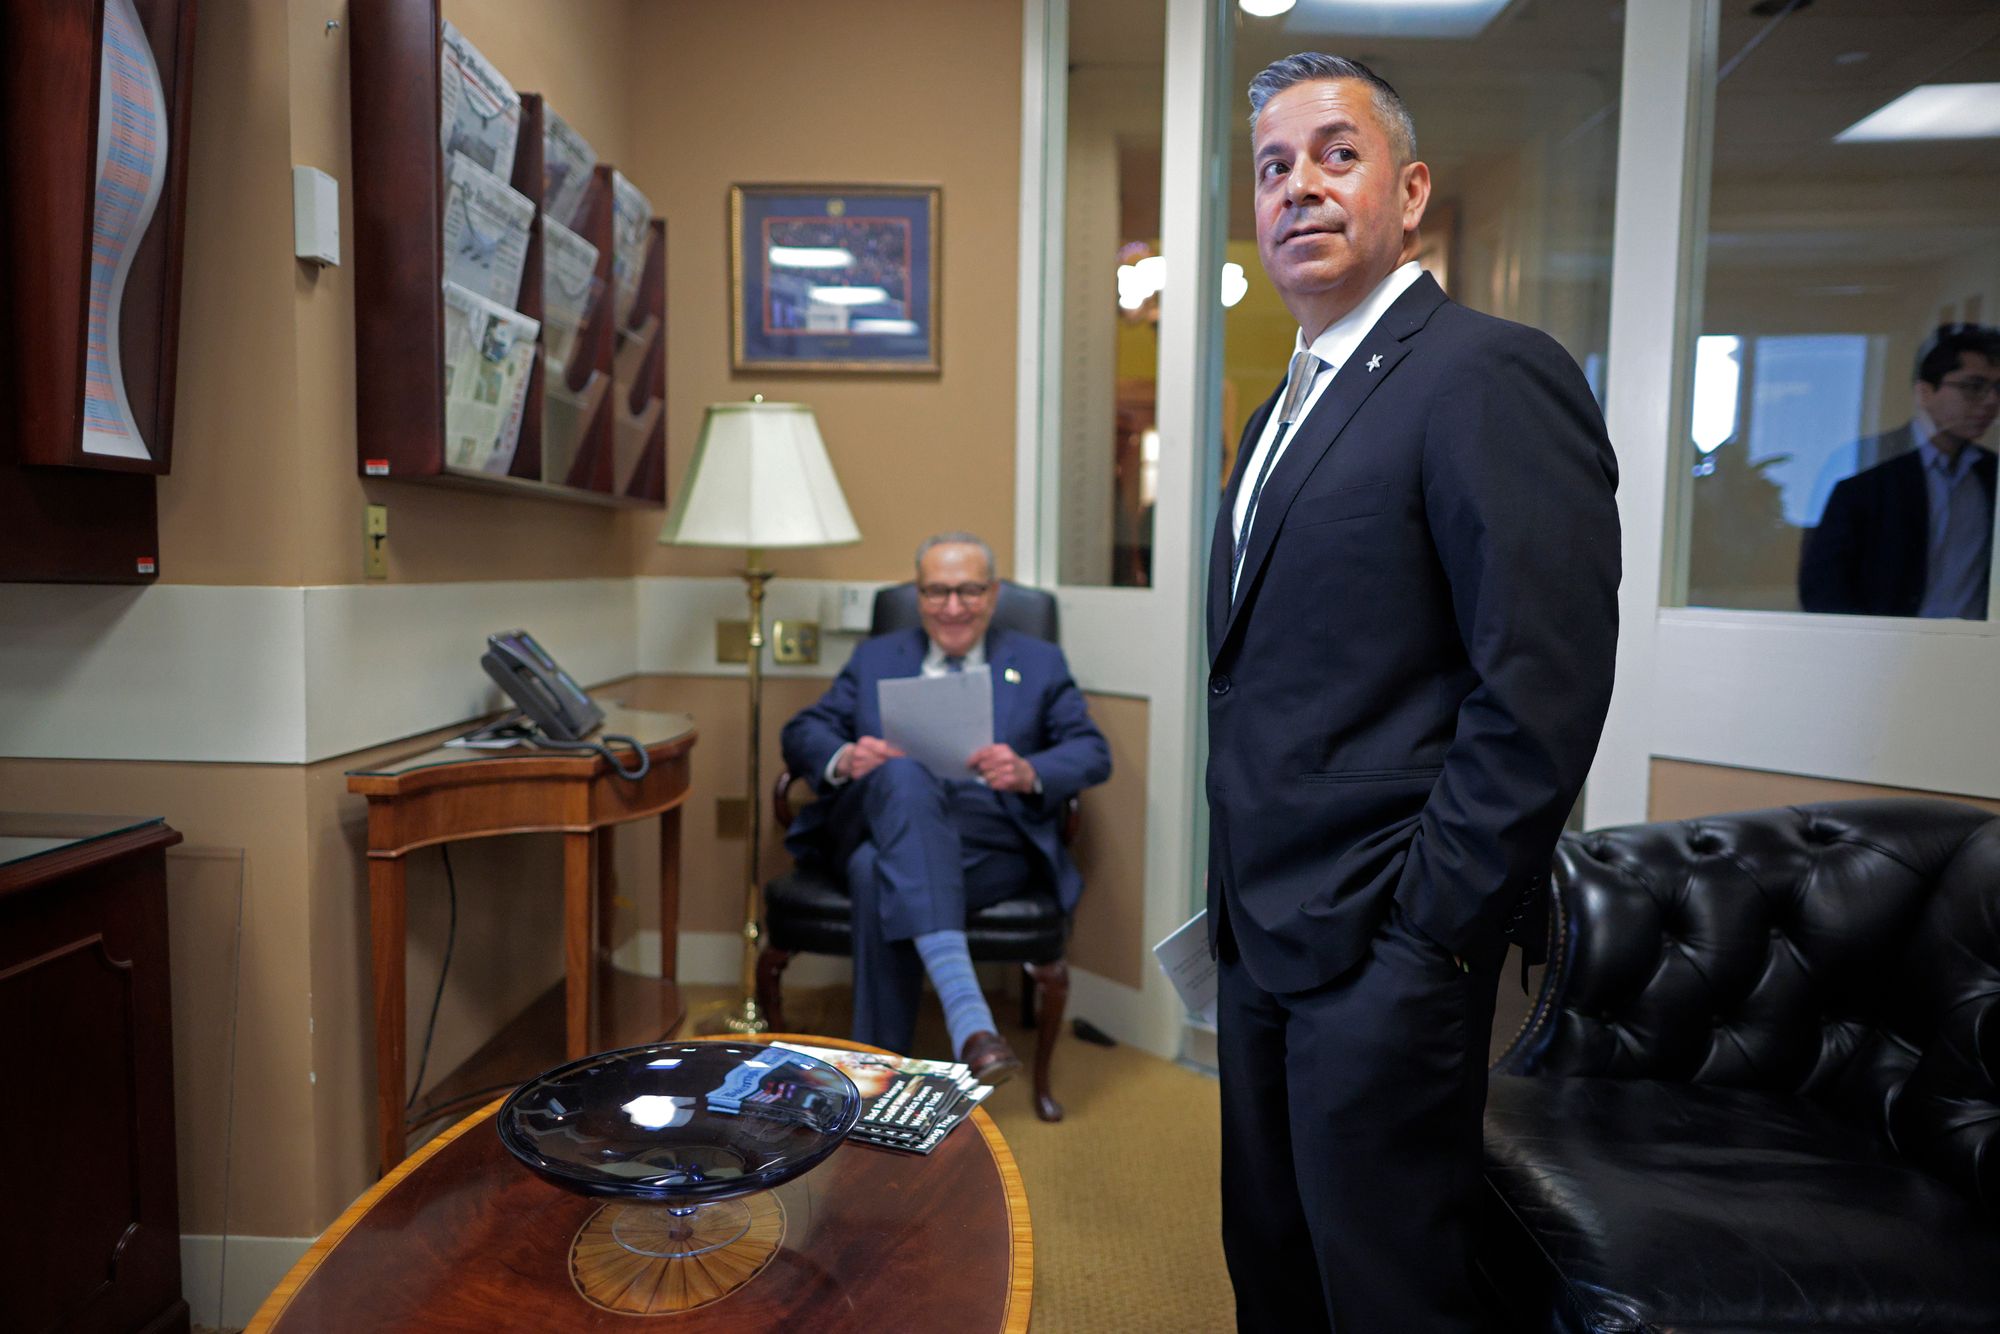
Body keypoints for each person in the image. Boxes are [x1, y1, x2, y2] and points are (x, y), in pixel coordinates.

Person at [1206, 54, 1620, 1331]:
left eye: (1335, 154)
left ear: (1410, 191)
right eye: (1273, 166)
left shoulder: (1487, 373)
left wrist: (1428, 936)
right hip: (1258, 938)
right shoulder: (1272, 412)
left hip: (1383, 946)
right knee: (1274, 1269)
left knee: (1386, 1292)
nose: (1298, 188)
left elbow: (1538, 687)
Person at [780, 533, 1111, 1083]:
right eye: (936, 592)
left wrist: (1030, 771)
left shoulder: (1038, 661)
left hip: (990, 841)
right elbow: (803, 730)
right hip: (883, 814)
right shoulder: (877, 657)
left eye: (968, 591)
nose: (952, 607)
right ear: (918, 594)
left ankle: (874, 1078)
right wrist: (846, 755)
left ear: (994, 593)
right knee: (904, 774)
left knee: (874, 872)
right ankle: (970, 1020)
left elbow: (1090, 751)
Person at [1798, 324, 2000, 618]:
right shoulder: (1866, 467)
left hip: (1974, 651)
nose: (1991, 401)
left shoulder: (1989, 473)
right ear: (1925, 392)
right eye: (1973, 387)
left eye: (1998, 389)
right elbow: (1823, 587)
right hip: (1885, 652)